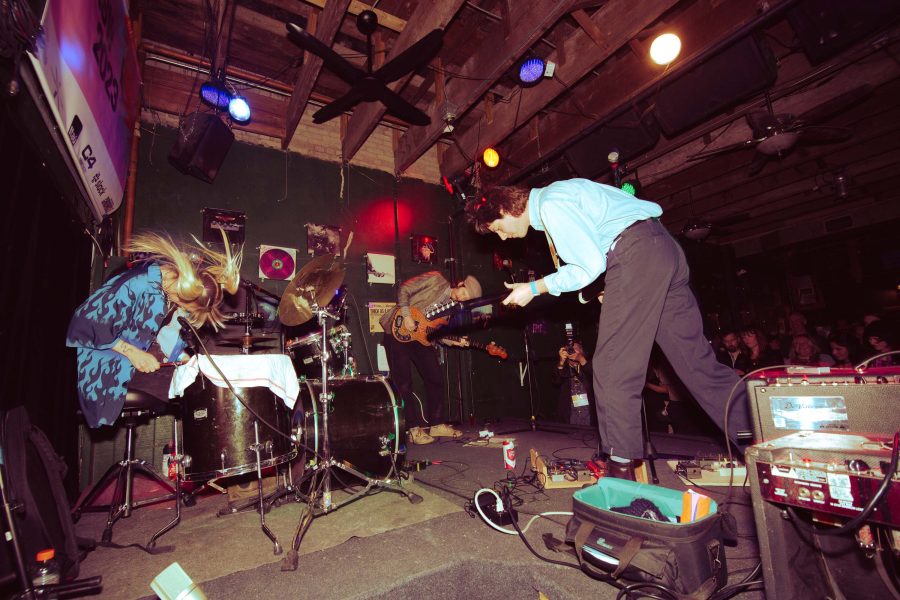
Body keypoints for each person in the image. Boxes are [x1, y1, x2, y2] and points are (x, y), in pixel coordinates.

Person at [467, 179, 752, 480]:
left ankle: (621, 474)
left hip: (635, 252)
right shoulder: (562, 193)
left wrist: (535, 288)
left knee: (612, 367)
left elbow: (588, 265)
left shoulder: (549, 204)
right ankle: (760, 438)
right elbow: (602, 248)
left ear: (505, 208)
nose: (503, 237)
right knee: (697, 364)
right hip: (663, 248)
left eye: (498, 228)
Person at [66, 231, 241, 428]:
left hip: (134, 365)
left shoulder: (167, 291)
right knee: (191, 389)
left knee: (197, 381)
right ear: (183, 292)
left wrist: (183, 358)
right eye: (186, 306)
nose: (182, 308)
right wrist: (133, 353)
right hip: (106, 368)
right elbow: (83, 323)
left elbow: (155, 338)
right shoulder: (138, 284)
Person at [379, 271, 482, 444]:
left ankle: (437, 424)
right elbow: (404, 289)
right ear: (460, 284)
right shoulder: (436, 279)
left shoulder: (450, 310)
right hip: (398, 330)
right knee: (403, 382)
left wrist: (452, 341)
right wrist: (407, 315)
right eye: (463, 293)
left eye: (466, 298)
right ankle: (413, 429)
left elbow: (433, 332)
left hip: (420, 338)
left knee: (435, 378)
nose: (462, 298)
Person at [551, 341, 594, 426]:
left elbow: (596, 377)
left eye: (575, 349)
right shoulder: (563, 369)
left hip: (588, 414)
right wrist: (561, 362)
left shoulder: (588, 365)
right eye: (570, 349)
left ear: (582, 352)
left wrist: (581, 359)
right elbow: (556, 381)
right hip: (569, 415)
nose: (572, 351)